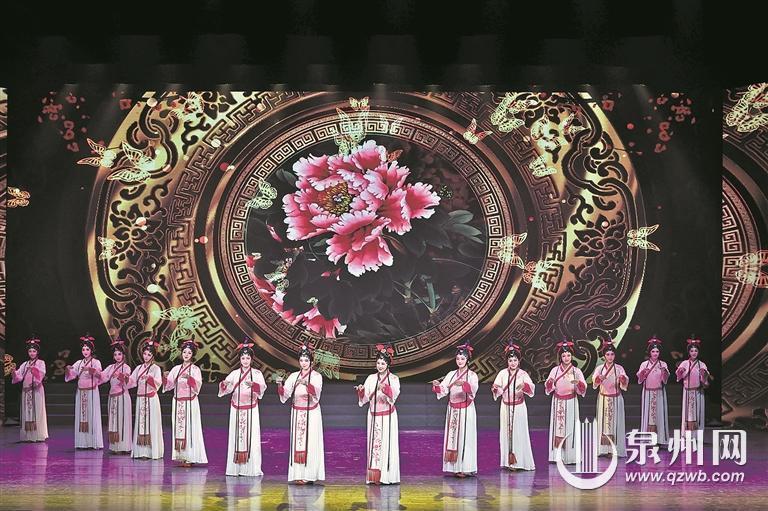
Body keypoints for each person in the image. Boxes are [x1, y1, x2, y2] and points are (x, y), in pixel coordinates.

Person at [277, 343, 325, 484]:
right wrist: (280, 385)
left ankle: (309, 474)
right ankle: (298, 474)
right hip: (297, 412)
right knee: (297, 442)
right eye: (302, 360)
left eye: (306, 360)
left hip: (311, 413)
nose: (304, 363)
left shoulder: (316, 376)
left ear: (311, 362)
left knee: (310, 443)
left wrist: (306, 384)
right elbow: (286, 394)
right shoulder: (294, 376)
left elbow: (317, 394)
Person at [218, 339, 266, 477]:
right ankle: (235, 468)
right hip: (236, 409)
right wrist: (224, 384)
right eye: (243, 358)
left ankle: (251, 468)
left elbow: (262, 389)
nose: (245, 361)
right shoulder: (234, 374)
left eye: (248, 358)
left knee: (251, 438)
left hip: (251, 409)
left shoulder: (257, 374)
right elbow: (226, 389)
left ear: (251, 359)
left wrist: (254, 385)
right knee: (236, 437)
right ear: (239, 359)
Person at [431, 341, 479, 477]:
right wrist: (437, 386)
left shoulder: (472, 375)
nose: (460, 361)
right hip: (452, 409)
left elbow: (473, 390)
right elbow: (444, 389)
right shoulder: (451, 374)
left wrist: (464, 384)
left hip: (466, 410)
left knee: (465, 438)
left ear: (467, 359)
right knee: (453, 438)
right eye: (458, 359)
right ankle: (454, 467)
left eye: (462, 358)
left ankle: (465, 467)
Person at [356, 343, 400, 484]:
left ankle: (386, 476)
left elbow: (394, 396)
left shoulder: (393, 379)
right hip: (373, 416)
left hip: (387, 416)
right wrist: (361, 391)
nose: (380, 366)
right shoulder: (371, 378)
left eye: (383, 363)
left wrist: (386, 389)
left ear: (388, 364)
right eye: (378, 363)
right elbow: (365, 398)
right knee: (374, 446)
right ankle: (374, 476)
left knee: (386, 445)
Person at [491, 340, 535, 471]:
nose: (513, 363)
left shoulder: (523, 374)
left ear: (519, 361)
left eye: (515, 360)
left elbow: (531, 388)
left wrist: (524, 386)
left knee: (519, 433)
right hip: (505, 407)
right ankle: (508, 461)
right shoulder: (502, 374)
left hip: (519, 407)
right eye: (510, 360)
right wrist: (495, 389)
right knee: (506, 433)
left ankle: (520, 462)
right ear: (507, 361)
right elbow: (496, 388)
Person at [164, 339, 208, 466]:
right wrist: (165, 377)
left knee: (190, 429)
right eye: (184, 352)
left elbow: (197, 387)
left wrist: (190, 379)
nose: (186, 355)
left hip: (190, 403)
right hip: (178, 402)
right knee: (179, 429)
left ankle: (190, 457)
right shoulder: (176, 369)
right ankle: (181, 456)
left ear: (192, 354)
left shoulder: (195, 369)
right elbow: (169, 386)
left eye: (189, 352)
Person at [544, 340, 586, 464]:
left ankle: (571, 456)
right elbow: (548, 386)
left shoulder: (576, 371)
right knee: (558, 428)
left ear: (572, 356)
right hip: (558, 402)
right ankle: (557, 456)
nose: (566, 358)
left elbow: (583, 388)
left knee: (571, 428)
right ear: (560, 357)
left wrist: (579, 383)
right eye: (563, 356)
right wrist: (550, 383)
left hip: (571, 401)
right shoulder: (555, 370)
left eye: (568, 355)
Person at [64, 335, 103, 449]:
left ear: (91, 350)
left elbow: (100, 375)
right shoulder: (79, 363)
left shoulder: (96, 362)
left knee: (92, 415)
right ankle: (82, 442)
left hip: (92, 392)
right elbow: (72, 375)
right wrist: (68, 369)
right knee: (82, 416)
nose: (85, 351)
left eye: (87, 349)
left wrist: (90, 370)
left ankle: (93, 442)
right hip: (81, 392)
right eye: (83, 349)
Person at [592, 339, 628, 457]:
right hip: (604, 399)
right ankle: (603, 449)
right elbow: (594, 382)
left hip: (616, 399)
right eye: (607, 354)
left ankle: (614, 449)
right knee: (604, 424)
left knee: (615, 424)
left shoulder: (619, 368)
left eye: (612, 354)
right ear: (604, 356)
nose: (610, 357)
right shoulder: (599, 368)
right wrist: (598, 378)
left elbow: (625, 381)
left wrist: (623, 379)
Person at [128, 339, 164, 459]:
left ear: (153, 356)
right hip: (141, 399)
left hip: (151, 399)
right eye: (144, 354)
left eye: (149, 354)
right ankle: (141, 451)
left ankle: (151, 451)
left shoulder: (156, 369)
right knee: (141, 424)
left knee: (151, 424)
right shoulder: (139, 368)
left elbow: (158, 384)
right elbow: (132, 381)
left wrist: (150, 379)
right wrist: (125, 378)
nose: (146, 356)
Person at [11, 337, 48, 442]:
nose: (32, 353)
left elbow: (42, 374)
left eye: (34, 351)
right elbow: (18, 377)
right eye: (30, 351)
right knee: (27, 412)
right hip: (26, 391)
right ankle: (28, 436)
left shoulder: (41, 363)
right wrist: (14, 372)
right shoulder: (25, 364)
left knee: (37, 412)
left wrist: (34, 370)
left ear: (37, 352)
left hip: (36, 390)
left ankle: (38, 435)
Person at [99, 339, 132, 453]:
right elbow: (103, 377)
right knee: (113, 420)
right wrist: (95, 372)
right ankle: (114, 446)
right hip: (112, 397)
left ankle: (124, 447)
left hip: (122, 396)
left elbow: (128, 380)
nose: (117, 357)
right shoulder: (110, 367)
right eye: (115, 354)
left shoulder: (126, 367)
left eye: (119, 354)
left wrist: (120, 376)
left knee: (122, 421)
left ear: (123, 355)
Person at [675, 337, 711, 442]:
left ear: (698, 352)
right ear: (689, 352)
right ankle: (686, 435)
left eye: (696, 351)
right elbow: (679, 376)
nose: (694, 353)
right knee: (687, 414)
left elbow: (705, 380)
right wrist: (680, 371)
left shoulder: (702, 364)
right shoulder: (684, 363)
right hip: (687, 392)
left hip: (698, 392)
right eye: (691, 351)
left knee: (698, 414)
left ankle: (697, 436)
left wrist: (704, 374)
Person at [637, 336, 670, 446]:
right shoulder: (644, 364)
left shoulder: (663, 364)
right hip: (648, 393)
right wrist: (643, 373)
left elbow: (665, 380)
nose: (655, 353)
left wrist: (664, 372)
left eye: (657, 351)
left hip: (659, 392)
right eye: (653, 351)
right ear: (649, 352)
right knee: (648, 416)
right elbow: (640, 380)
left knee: (659, 416)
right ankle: (647, 439)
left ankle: (660, 439)